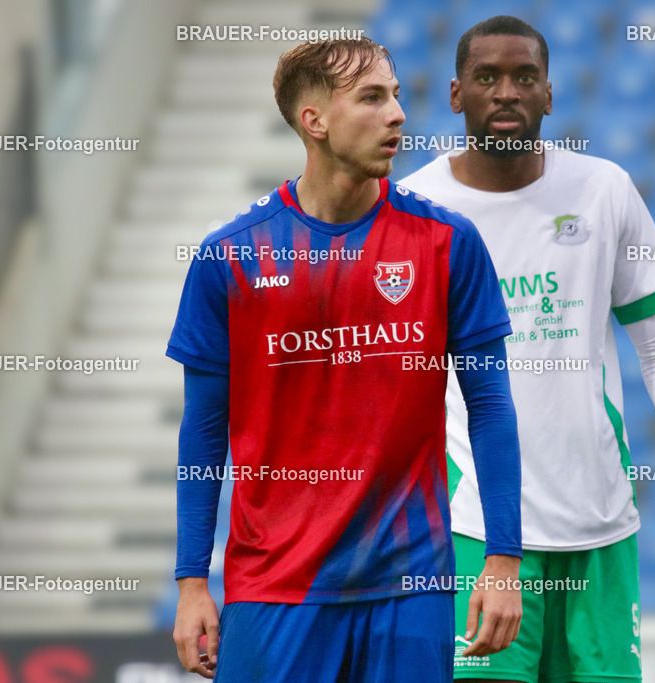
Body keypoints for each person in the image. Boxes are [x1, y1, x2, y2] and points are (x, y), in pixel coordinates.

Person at [167, 37, 522, 682]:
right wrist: (192, 580)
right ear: (315, 121)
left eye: (396, 96)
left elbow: (491, 409)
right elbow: (203, 431)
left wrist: (503, 560)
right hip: (275, 587)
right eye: (372, 98)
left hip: (410, 585)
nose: (398, 115)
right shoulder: (231, 257)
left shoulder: (448, 243)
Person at [402, 16, 655, 683]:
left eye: (524, 77)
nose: (506, 92)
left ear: (549, 95)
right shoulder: (414, 208)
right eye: (487, 77)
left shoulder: (603, 189)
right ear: (455, 93)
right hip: (476, 530)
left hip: (601, 528)